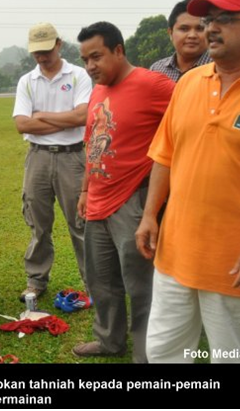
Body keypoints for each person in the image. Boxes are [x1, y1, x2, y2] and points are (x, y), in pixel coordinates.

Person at [136, 0, 240, 363]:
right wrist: (150, 215)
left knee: (232, 357)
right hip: (174, 255)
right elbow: (165, 155)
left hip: (236, 262)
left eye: (224, 20)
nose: (210, 29)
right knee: (164, 352)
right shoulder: (188, 83)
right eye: (209, 20)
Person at [72, 22, 175, 363]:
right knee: (101, 280)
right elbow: (92, 142)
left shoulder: (153, 84)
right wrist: (85, 189)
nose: (90, 66)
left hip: (134, 200)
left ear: (119, 50)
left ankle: (147, 352)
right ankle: (109, 339)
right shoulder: (98, 90)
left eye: (96, 56)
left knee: (141, 285)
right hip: (97, 200)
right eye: (85, 59)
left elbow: (187, 124)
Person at [12, 22, 92, 302]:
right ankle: (36, 280)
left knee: (80, 223)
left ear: (59, 44)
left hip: (72, 156)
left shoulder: (79, 75)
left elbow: (82, 117)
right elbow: (22, 125)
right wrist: (65, 119)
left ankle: (93, 283)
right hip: (38, 157)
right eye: (37, 52)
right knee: (38, 223)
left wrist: (41, 115)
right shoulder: (27, 80)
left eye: (46, 50)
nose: (42, 57)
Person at [150, 0, 212, 82]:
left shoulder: (220, 68)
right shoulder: (157, 69)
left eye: (200, 29)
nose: (192, 35)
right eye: (184, 29)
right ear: (170, 33)